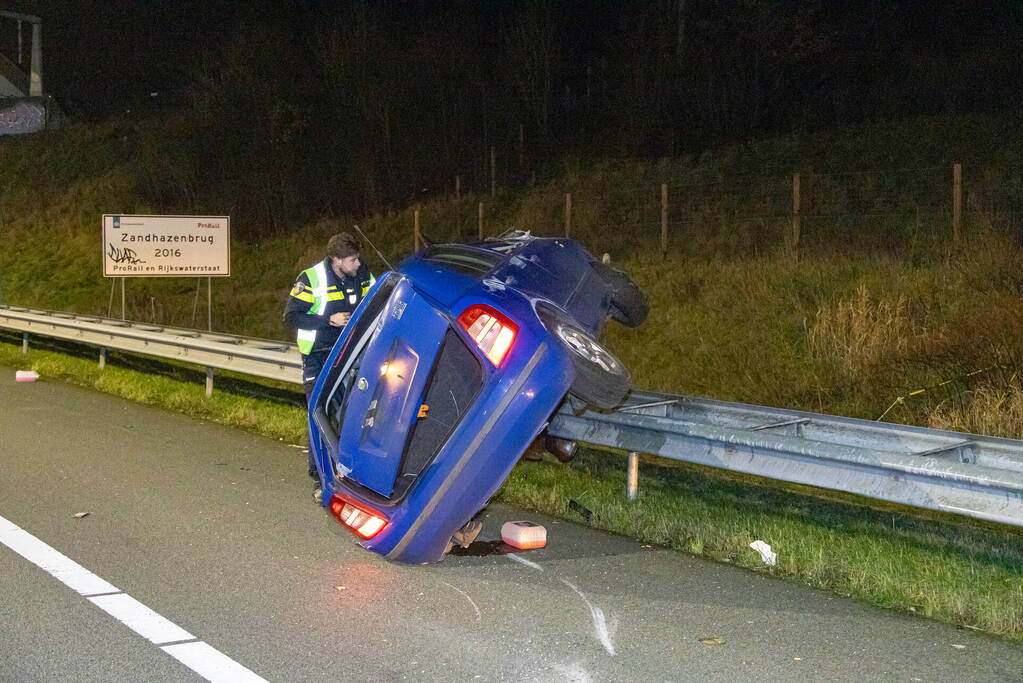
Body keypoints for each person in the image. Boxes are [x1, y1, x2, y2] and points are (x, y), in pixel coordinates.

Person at [284, 231, 375, 502]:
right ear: (336, 260)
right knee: (320, 416)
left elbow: (379, 301)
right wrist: (328, 320)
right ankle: (320, 478)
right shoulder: (311, 279)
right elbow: (291, 317)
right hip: (319, 355)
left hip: (352, 354)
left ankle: (348, 474)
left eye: (358, 258)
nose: (357, 264)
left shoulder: (362, 274)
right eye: (352, 260)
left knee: (351, 416)